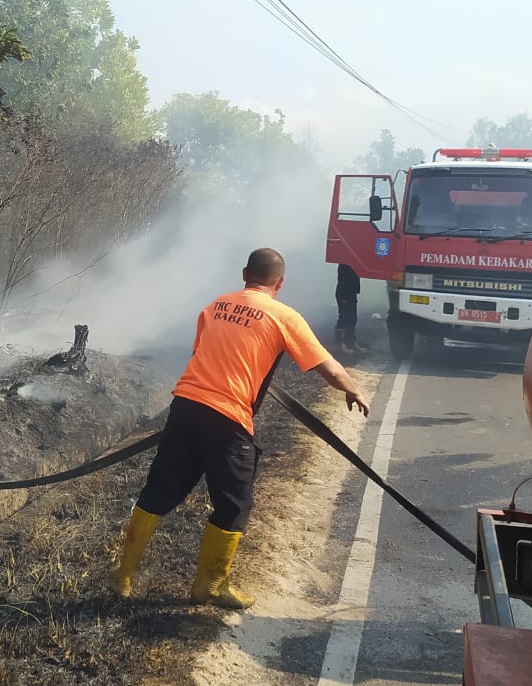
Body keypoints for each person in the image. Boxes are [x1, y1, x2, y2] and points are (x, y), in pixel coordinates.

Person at [109, 248, 370, 609]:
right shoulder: (284, 316)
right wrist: (353, 389)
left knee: (158, 492)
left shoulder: (216, 305)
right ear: (280, 282)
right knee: (235, 504)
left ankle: (122, 576)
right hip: (228, 417)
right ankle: (210, 586)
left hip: (185, 406)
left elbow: (203, 352)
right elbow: (326, 366)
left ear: (245, 272)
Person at [334, 263, 366, 353]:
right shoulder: (345, 262)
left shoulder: (354, 261)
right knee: (344, 318)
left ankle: (352, 343)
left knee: (352, 318)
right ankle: (341, 344)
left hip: (351, 292)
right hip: (344, 292)